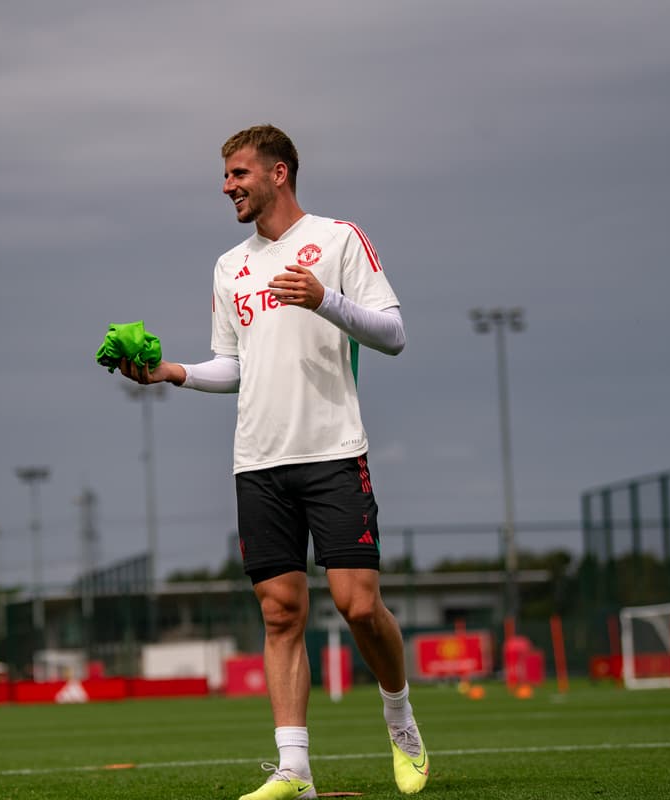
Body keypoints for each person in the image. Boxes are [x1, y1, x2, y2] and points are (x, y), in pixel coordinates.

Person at [115, 124, 426, 798]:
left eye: (238, 174)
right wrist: (172, 372)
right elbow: (235, 365)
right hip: (258, 460)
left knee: (358, 606)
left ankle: (400, 721)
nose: (228, 186)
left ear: (278, 172)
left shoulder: (340, 239)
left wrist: (325, 299)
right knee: (280, 613)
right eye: (226, 177)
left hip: (335, 451)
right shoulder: (231, 266)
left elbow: (395, 335)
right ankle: (295, 772)